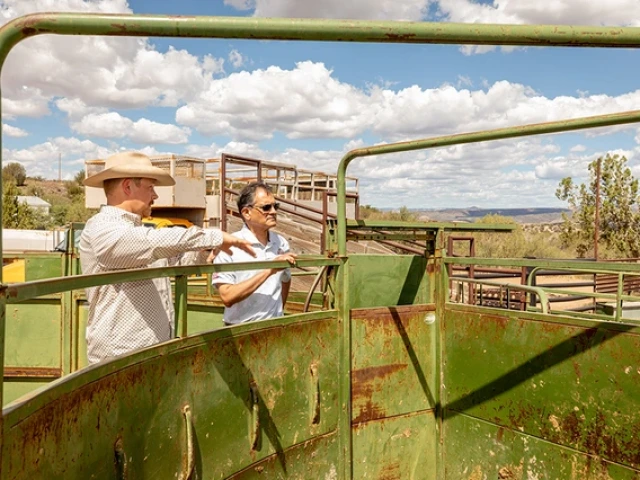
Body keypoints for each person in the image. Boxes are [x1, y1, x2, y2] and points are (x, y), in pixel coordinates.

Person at [79, 151, 255, 364]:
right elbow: (142, 243)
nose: (155, 195)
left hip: (146, 351)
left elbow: (175, 261)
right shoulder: (102, 227)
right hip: (120, 357)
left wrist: (203, 251)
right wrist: (211, 237)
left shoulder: (139, 232)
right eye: (150, 187)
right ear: (127, 187)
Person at [212, 181, 297, 325]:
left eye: (275, 206)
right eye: (266, 207)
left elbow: (285, 279)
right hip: (242, 330)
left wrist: (279, 311)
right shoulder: (230, 247)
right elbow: (227, 296)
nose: (274, 212)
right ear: (246, 212)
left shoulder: (281, 243)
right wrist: (269, 270)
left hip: (274, 327)